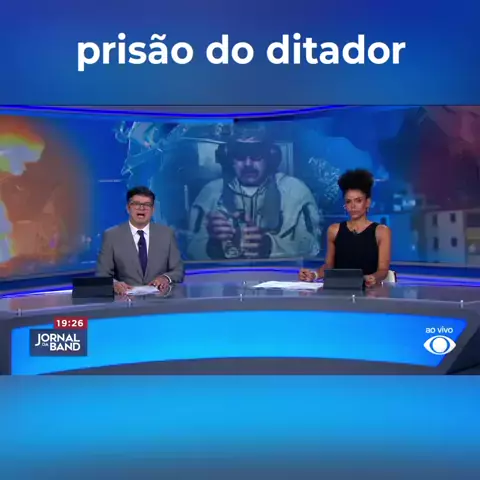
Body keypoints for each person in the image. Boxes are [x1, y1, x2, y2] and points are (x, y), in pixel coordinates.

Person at [187, 126, 322, 260]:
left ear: (270, 156)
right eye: (240, 155)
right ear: (229, 158)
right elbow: (190, 249)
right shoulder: (210, 193)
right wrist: (213, 246)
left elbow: (314, 248)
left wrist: (270, 247)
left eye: (256, 155)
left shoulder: (296, 192)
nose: (248, 164)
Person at [299, 169, 391, 288]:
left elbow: (383, 270)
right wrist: (314, 275)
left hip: (369, 291)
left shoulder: (381, 232)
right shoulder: (334, 230)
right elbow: (329, 266)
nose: (353, 206)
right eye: (348, 201)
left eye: (358, 201)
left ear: (367, 202)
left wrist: (374, 278)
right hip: (338, 290)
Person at [96, 186, 184, 295]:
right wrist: (114, 284)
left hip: (160, 301)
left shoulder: (167, 234)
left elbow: (178, 271)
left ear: (153, 210)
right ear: (128, 208)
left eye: (147, 204)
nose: (141, 208)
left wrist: (165, 278)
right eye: (136, 204)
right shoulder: (111, 235)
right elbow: (102, 275)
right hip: (125, 300)